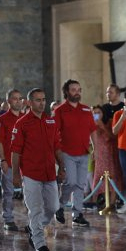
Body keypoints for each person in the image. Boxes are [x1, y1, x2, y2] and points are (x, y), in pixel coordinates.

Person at [10, 88, 66, 251]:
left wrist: (62, 166)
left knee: (53, 207)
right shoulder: (22, 123)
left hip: (49, 172)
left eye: (43, 100)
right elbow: (15, 151)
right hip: (31, 173)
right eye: (38, 100)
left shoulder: (50, 122)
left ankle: (33, 228)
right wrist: (15, 174)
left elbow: (57, 147)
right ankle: (39, 244)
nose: (42, 103)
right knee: (35, 209)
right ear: (29, 102)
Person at [54, 79, 97, 227]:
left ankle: (77, 214)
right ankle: (60, 205)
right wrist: (56, 154)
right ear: (67, 92)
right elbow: (54, 134)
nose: (77, 93)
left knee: (80, 184)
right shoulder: (60, 110)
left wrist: (96, 149)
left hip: (84, 152)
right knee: (70, 182)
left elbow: (93, 130)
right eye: (73, 90)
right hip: (67, 152)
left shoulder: (86, 110)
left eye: (79, 90)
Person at [0, 89, 25, 231]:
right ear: (8, 101)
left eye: (20, 98)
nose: (18, 101)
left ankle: (32, 221)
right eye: (15, 98)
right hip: (9, 161)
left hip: (25, 163)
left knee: (30, 193)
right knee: (8, 192)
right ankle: (8, 219)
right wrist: (2, 160)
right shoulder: (2, 119)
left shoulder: (26, 118)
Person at [91, 104, 123, 210]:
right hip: (100, 154)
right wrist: (94, 150)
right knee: (101, 178)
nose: (97, 115)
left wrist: (102, 126)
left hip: (110, 152)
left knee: (113, 177)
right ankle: (105, 202)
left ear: (103, 113)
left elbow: (112, 136)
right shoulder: (92, 124)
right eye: (94, 113)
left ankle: (112, 203)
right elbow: (92, 138)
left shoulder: (109, 122)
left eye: (99, 112)